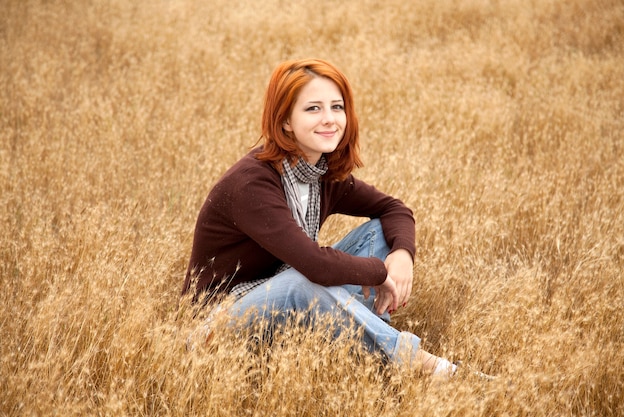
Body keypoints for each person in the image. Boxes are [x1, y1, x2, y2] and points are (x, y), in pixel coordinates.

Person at [182, 58, 458, 377]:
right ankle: (426, 368)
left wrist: (402, 255)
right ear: (285, 120)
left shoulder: (320, 172)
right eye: (313, 109)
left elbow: (394, 209)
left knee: (380, 234)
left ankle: (367, 341)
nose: (329, 120)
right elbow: (315, 266)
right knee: (302, 282)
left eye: (336, 107)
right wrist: (378, 272)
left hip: (281, 293)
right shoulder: (251, 184)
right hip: (218, 323)